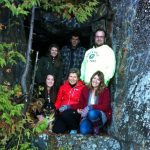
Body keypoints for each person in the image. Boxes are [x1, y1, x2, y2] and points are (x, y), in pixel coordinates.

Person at [77, 71, 112, 135]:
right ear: (91, 78)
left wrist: (91, 107)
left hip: (98, 115)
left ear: (101, 82)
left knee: (92, 113)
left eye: (98, 79)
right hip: (86, 115)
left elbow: (105, 106)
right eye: (94, 78)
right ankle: (92, 128)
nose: (95, 81)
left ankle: (97, 126)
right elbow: (80, 103)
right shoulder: (85, 89)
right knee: (84, 131)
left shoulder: (105, 90)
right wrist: (79, 109)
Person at [52, 68, 84, 134]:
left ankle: (74, 127)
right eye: (70, 76)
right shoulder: (63, 87)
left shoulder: (83, 88)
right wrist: (56, 109)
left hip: (75, 110)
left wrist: (69, 107)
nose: (72, 79)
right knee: (56, 130)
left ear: (78, 78)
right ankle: (68, 126)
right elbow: (58, 100)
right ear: (68, 77)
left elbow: (82, 103)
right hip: (63, 111)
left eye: (75, 77)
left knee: (65, 114)